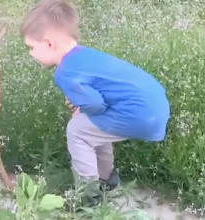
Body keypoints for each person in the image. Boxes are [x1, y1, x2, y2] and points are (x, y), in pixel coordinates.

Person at [20, 0, 170, 207]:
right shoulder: (84, 55)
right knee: (92, 127)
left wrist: (81, 108)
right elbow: (99, 100)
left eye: (31, 47)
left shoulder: (65, 71)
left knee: (78, 130)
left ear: (48, 43)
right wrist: (84, 107)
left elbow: (95, 105)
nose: (30, 53)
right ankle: (107, 179)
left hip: (138, 113)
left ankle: (88, 196)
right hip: (154, 105)